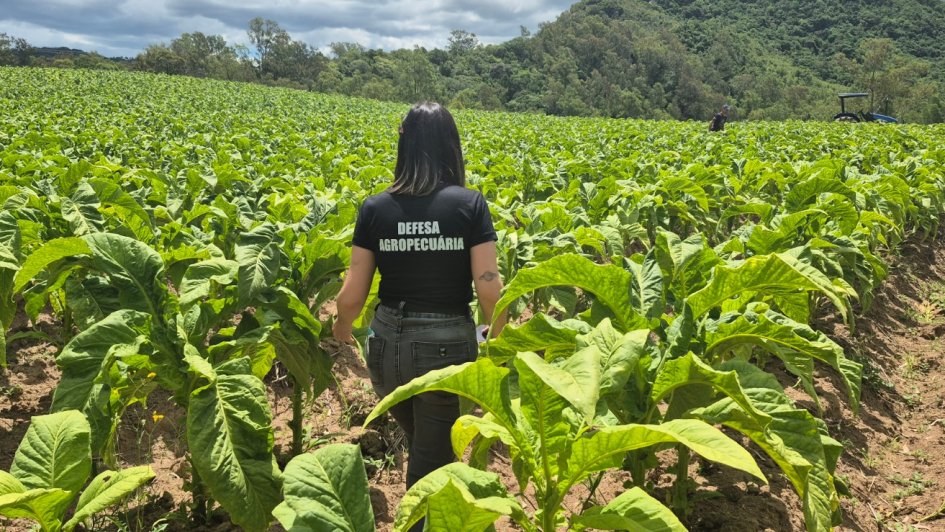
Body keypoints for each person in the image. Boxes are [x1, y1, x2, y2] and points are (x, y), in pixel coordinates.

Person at [332, 102, 508, 529]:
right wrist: (498, 340)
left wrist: (341, 328)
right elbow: (488, 286)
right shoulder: (469, 204)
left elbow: (352, 295)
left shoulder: (375, 208)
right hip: (445, 348)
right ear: (451, 146)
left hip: (385, 348)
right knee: (431, 464)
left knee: (425, 445)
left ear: (404, 145)